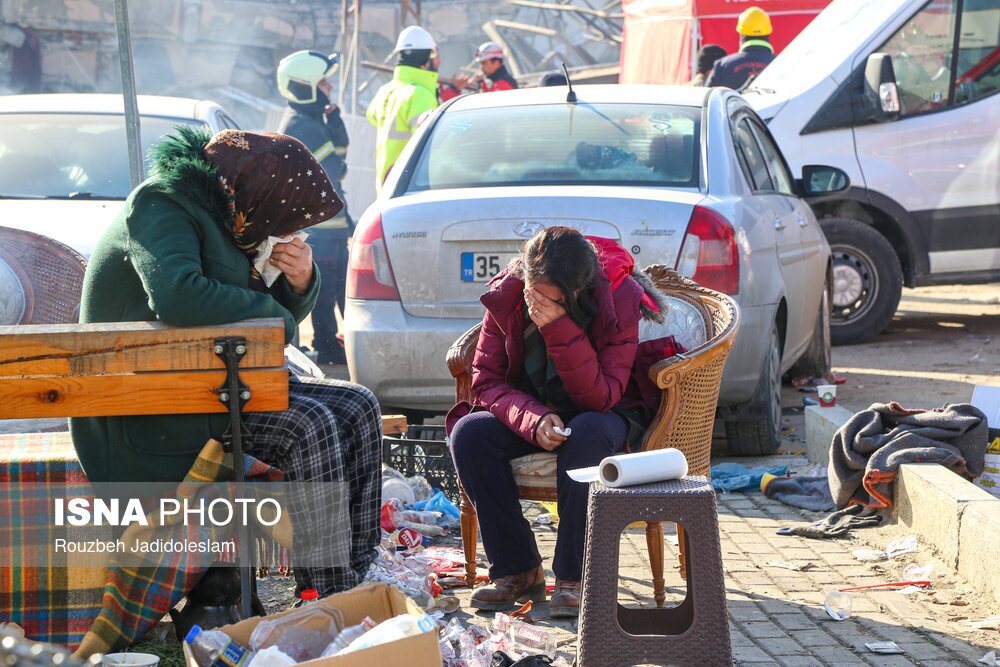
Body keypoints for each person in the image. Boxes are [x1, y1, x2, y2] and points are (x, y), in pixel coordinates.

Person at [69, 126, 382, 597]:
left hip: (211, 382)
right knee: (310, 424)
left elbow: (258, 321)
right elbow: (178, 295)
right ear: (257, 193)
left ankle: (358, 573)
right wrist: (277, 313)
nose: (281, 230)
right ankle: (327, 593)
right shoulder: (161, 204)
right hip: (152, 405)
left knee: (358, 405)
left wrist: (299, 282)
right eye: (280, 214)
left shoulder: (230, 215)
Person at [447, 227, 683, 617]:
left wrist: (558, 327)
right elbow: (486, 380)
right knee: (470, 434)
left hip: (604, 413)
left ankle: (574, 577)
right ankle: (518, 568)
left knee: (586, 436)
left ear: (575, 291)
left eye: (549, 299)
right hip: (535, 408)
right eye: (532, 294)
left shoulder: (619, 298)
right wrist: (534, 418)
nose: (536, 304)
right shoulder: (509, 294)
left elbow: (602, 395)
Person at [277, 50, 352, 365]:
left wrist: (334, 123)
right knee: (327, 290)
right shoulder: (303, 126)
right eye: (323, 83)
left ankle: (338, 345)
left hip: (328, 227)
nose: (329, 88)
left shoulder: (309, 121)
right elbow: (336, 169)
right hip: (321, 230)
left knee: (337, 287)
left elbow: (339, 155)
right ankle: (329, 347)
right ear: (305, 87)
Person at [367, 26, 439, 192]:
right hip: (412, 187)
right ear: (425, 62)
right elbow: (429, 149)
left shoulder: (385, 91)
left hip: (386, 183)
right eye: (433, 57)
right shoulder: (419, 95)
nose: (438, 62)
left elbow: (371, 115)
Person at [705, 7, 775, 90]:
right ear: (768, 33)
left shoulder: (722, 67)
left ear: (741, 34)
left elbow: (707, 96)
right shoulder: (783, 65)